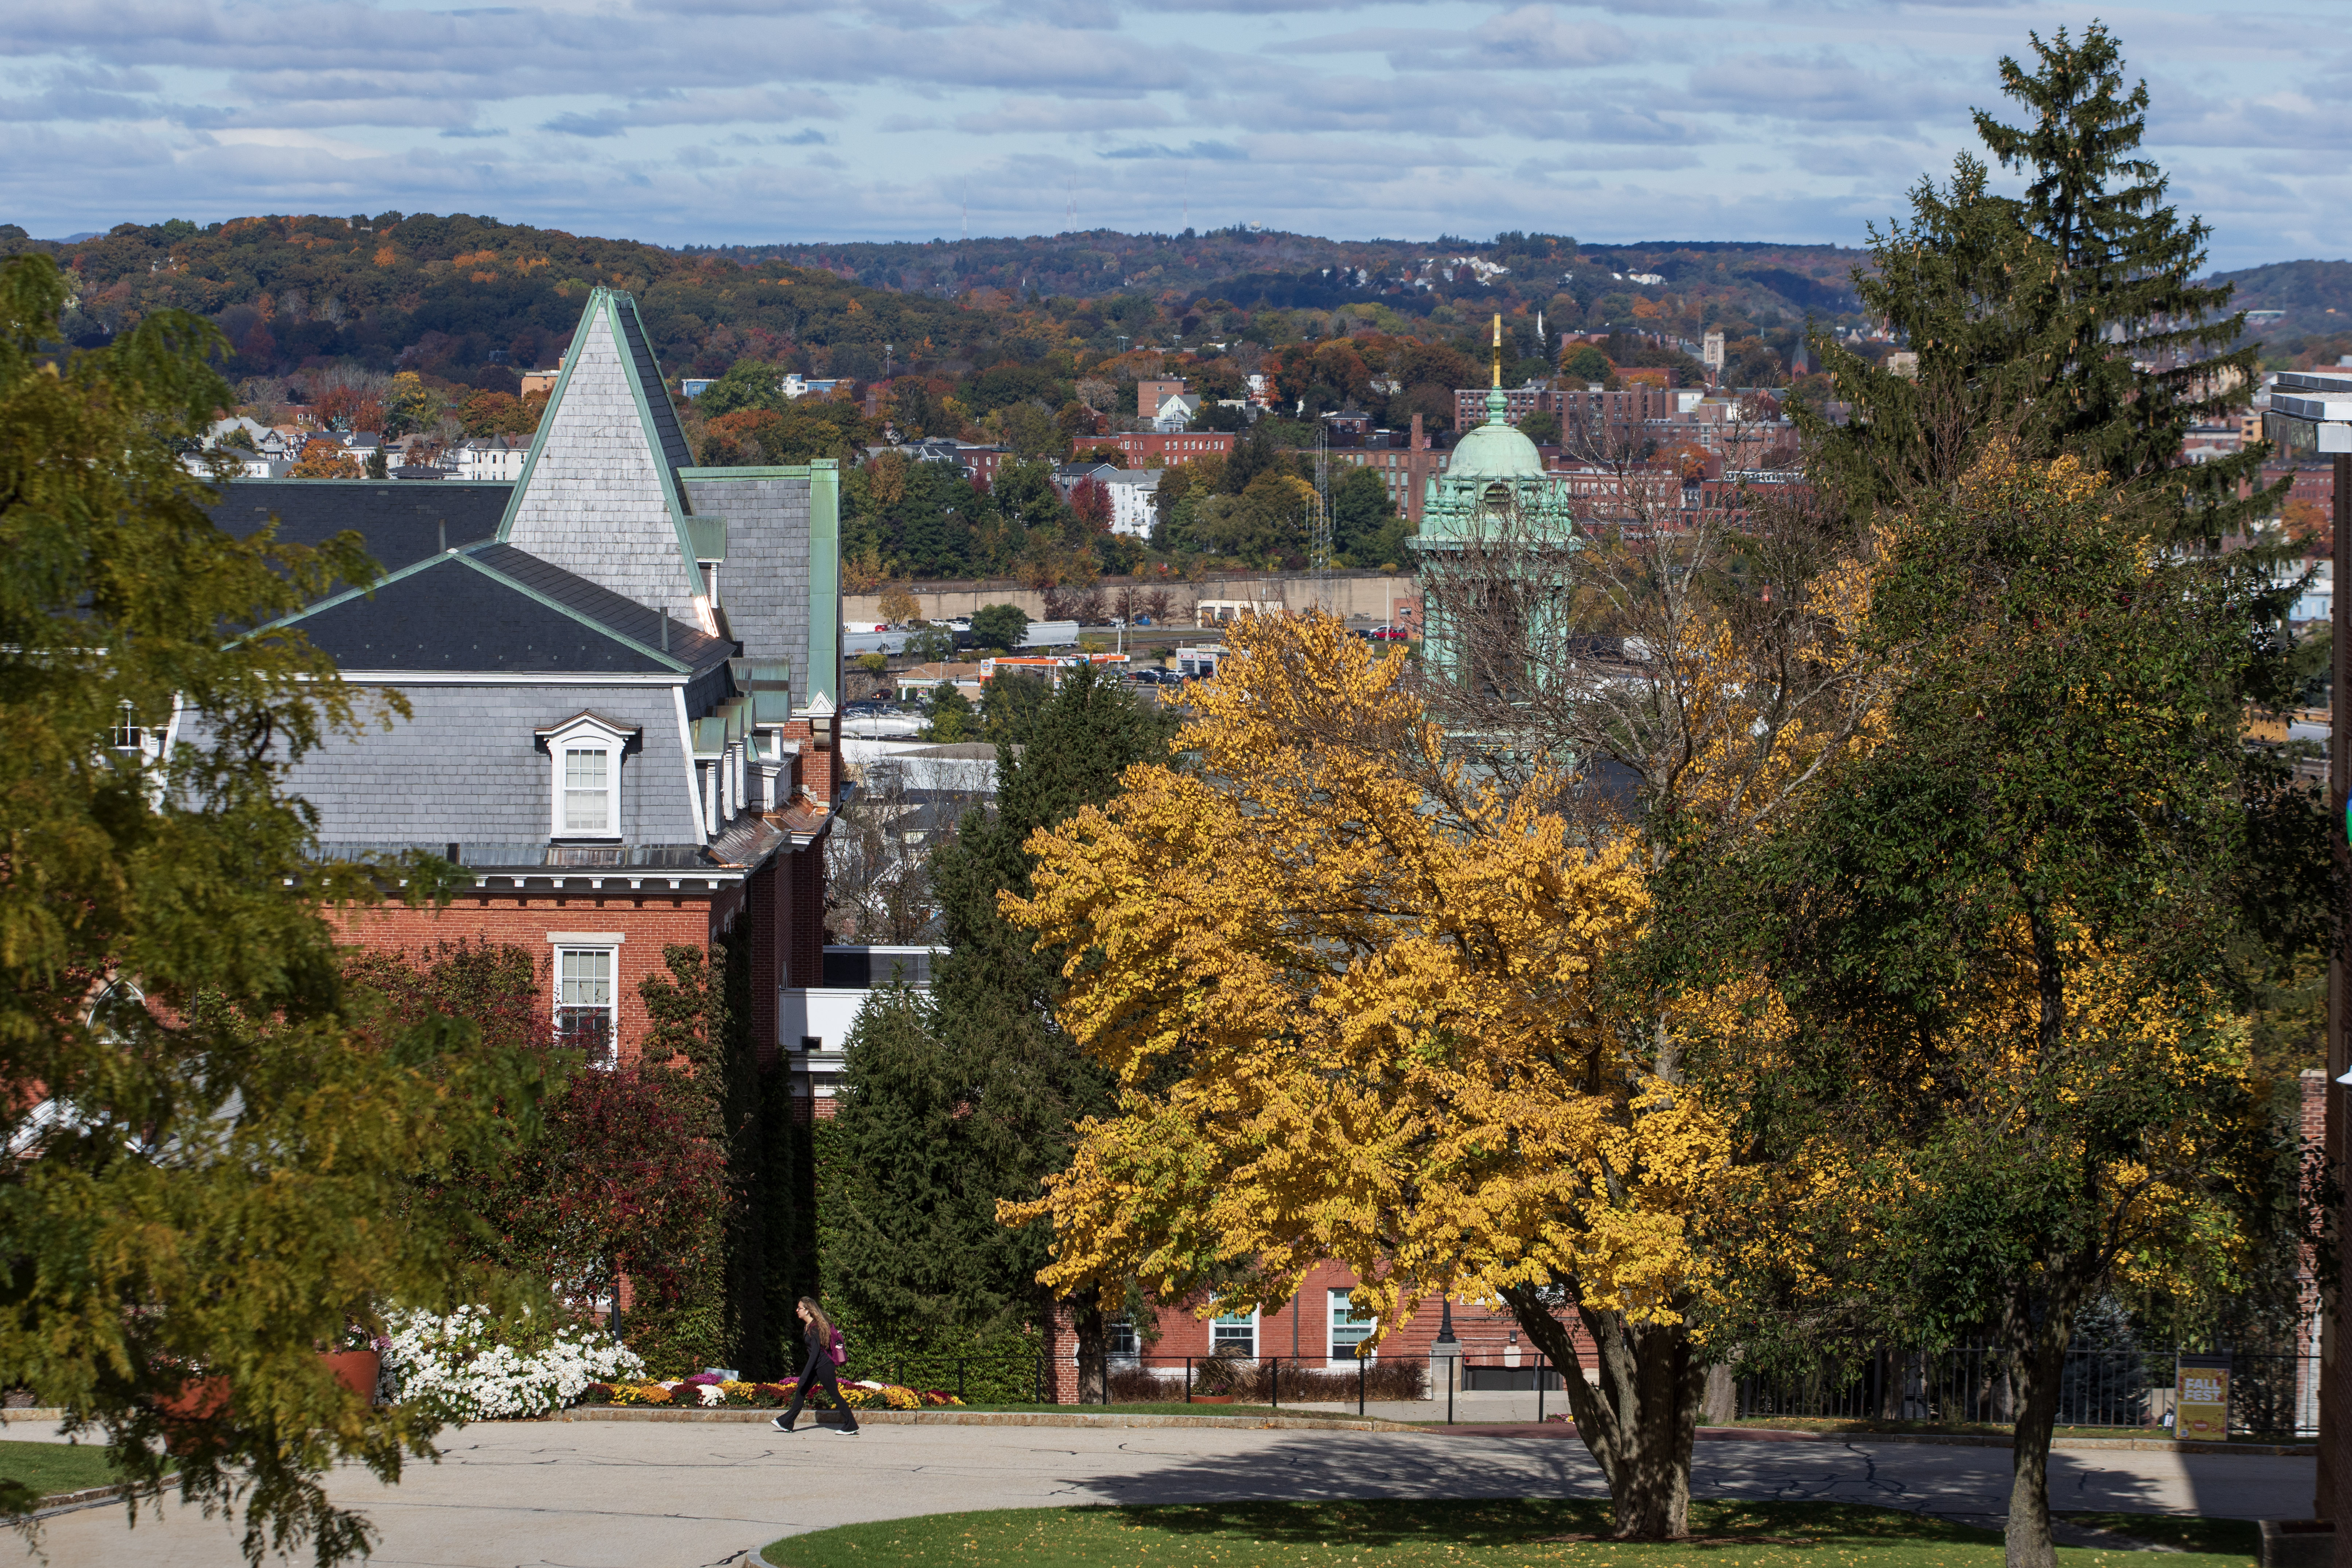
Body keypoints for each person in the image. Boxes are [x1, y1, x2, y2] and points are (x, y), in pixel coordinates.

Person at [771, 1297, 858, 1436]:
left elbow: (815, 1353)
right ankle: (787, 1422)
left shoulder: (815, 1328)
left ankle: (851, 1425)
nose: (797, 1310)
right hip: (818, 1366)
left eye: (800, 1308)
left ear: (807, 1311)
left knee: (834, 1394)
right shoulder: (808, 1326)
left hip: (824, 1367)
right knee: (802, 1390)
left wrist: (805, 1375)